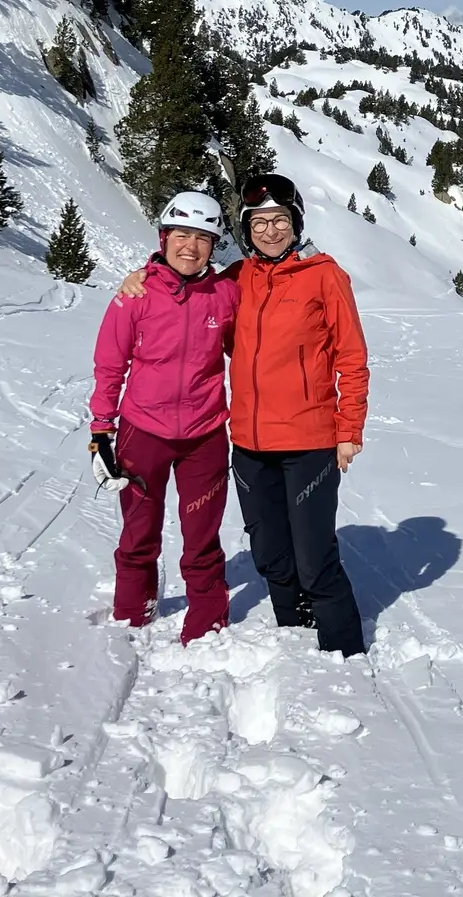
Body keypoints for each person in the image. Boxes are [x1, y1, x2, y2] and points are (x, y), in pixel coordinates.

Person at [120, 172, 371, 657]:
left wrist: (349, 429)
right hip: (250, 444)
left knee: (314, 555)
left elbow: (352, 357)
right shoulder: (237, 279)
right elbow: (186, 294)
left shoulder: (324, 275)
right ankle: (294, 632)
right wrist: (140, 276)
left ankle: (344, 653)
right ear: (246, 228)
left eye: (280, 220)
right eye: (259, 222)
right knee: (271, 553)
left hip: (310, 440)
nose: (270, 230)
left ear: (295, 223)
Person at [90, 191, 239, 645]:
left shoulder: (225, 294)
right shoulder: (134, 296)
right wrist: (101, 429)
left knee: (202, 534)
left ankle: (207, 620)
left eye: (202, 238)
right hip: (143, 432)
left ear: (214, 246)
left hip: (205, 435)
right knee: (138, 531)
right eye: (181, 235)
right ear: (163, 237)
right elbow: (109, 364)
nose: (190, 246)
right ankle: (133, 611)